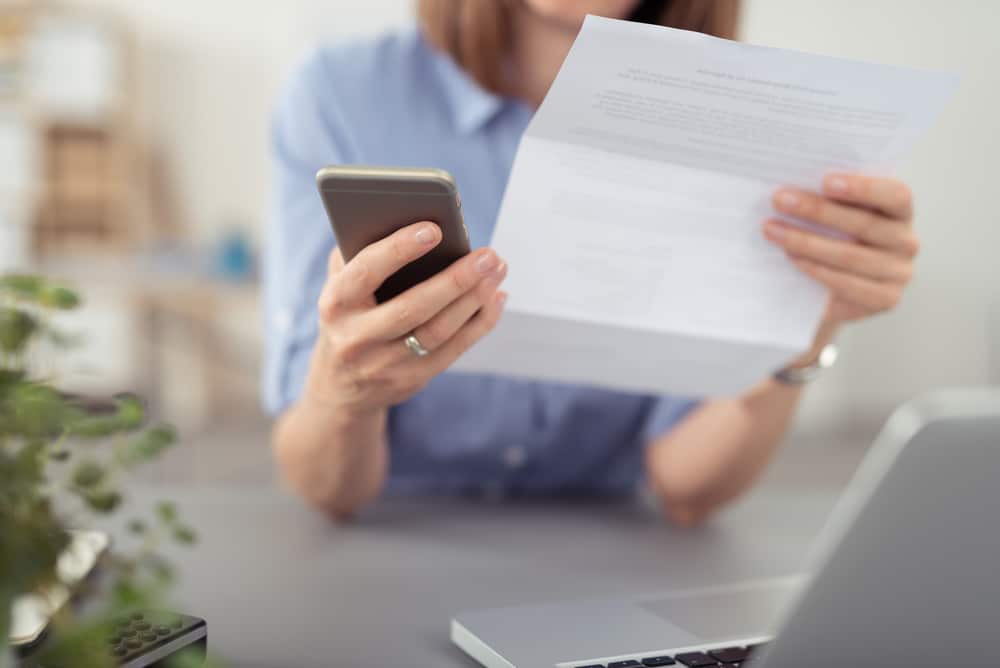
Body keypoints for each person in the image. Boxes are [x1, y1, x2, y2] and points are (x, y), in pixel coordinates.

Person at [264, 0, 920, 525]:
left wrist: (807, 322)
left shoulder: (732, 124)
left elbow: (687, 485)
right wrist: (342, 393)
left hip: (616, 555)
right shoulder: (339, 96)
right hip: (389, 540)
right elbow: (324, 486)